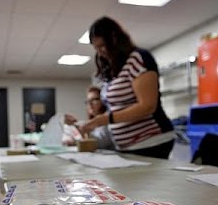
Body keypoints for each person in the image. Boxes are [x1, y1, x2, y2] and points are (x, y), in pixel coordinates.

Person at [78, 16, 175, 159]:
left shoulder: (138, 59)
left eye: (102, 46)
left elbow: (147, 106)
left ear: (114, 39)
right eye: (96, 48)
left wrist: (103, 120)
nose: (100, 52)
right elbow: (117, 108)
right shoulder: (115, 70)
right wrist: (93, 123)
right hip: (127, 145)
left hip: (150, 141)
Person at [65, 85, 115, 150]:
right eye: (88, 101)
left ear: (103, 101)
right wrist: (74, 142)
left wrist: (79, 128)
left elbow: (100, 143)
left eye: (94, 99)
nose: (90, 104)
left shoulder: (108, 119)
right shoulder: (91, 122)